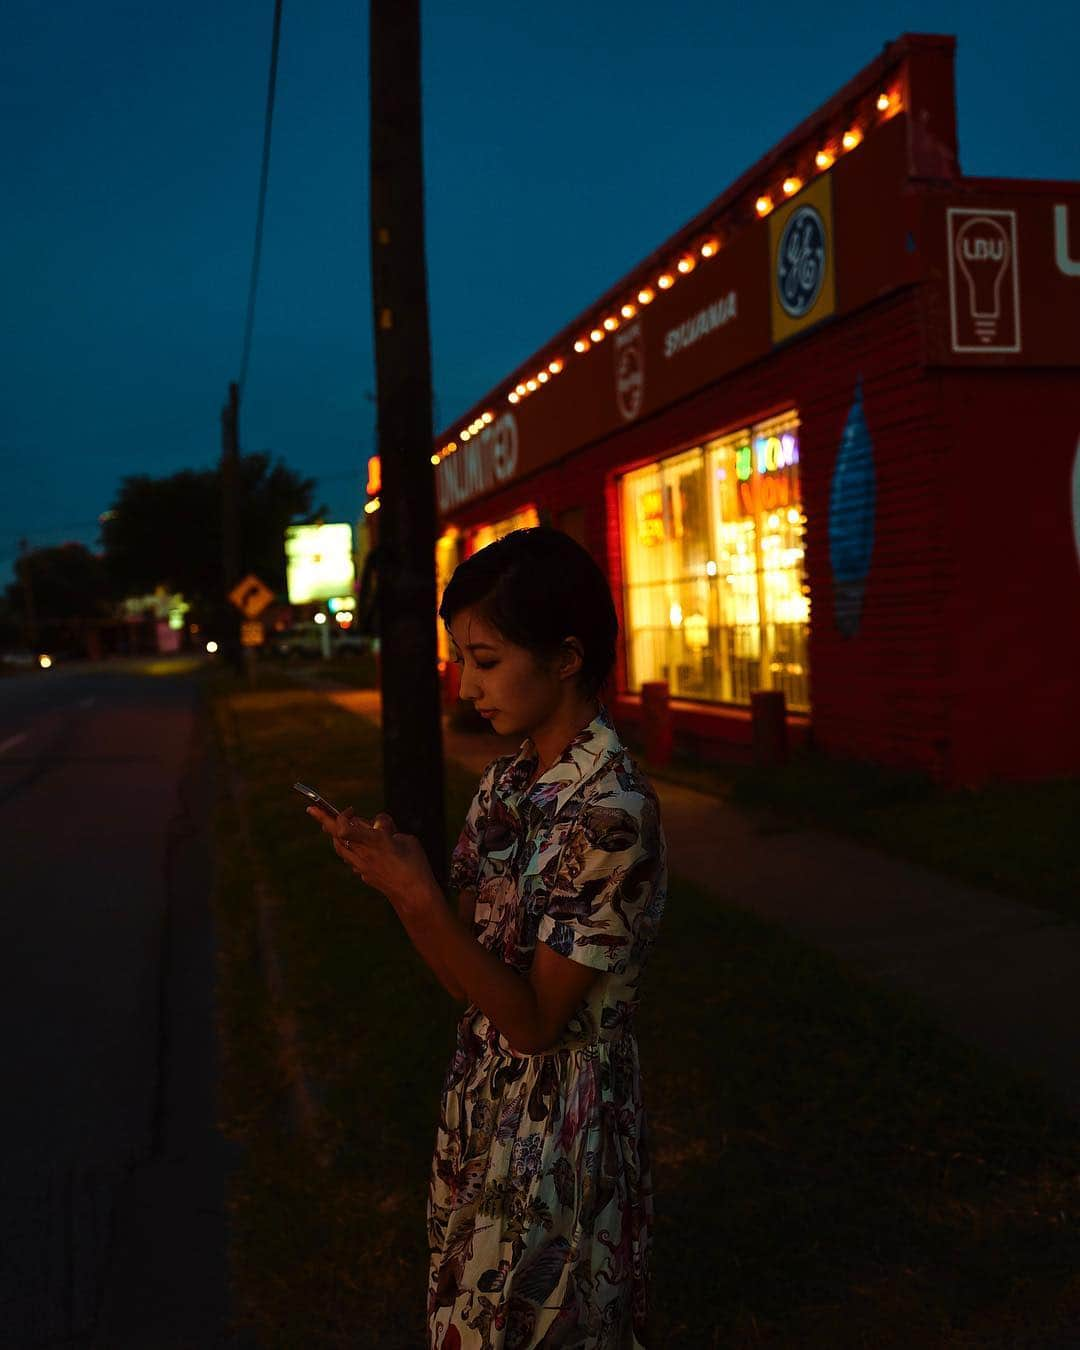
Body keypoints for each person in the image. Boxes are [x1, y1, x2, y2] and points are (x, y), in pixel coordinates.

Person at [307, 526, 668, 1348]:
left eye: (487, 658)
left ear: (567, 656)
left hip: (563, 1121)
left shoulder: (610, 811)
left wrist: (421, 899)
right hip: (483, 1096)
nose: (465, 682)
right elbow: (464, 979)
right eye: (461, 658)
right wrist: (406, 891)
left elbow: (539, 1022)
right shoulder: (507, 783)